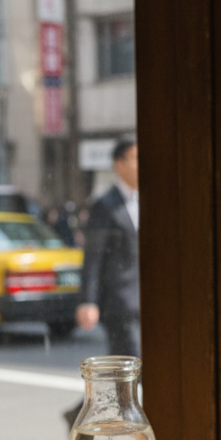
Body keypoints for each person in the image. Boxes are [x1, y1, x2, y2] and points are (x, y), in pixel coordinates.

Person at [75, 136, 141, 356]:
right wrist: (88, 301)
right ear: (119, 164)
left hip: (146, 302)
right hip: (119, 304)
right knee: (132, 365)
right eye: (135, 158)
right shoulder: (104, 205)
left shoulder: (145, 200)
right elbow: (93, 257)